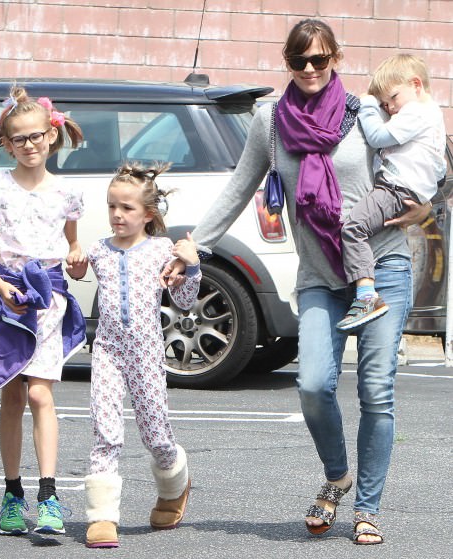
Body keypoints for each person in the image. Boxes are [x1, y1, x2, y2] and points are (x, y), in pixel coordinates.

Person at [164, 19, 432, 545]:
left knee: (376, 390)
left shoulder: (365, 113)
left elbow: (422, 158)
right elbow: (239, 187)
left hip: (382, 267)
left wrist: (427, 203)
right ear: (287, 62)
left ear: (335, 59)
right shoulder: (270, 121)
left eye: (319, 60)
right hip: (319, 276)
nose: (310, 69)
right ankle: (338, 476)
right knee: (312, 385)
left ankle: (367, 508)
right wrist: (196, 243)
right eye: (299, 60)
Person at [0, 85, 87, 536]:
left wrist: (76, 261)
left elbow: (72, 247)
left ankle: (49, 496)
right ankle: (12, 495)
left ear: (52, 134)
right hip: (8, 297)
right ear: (7, 143)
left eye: (36, 136)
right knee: (13, 396)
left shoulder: (67, 192)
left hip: (49, 298)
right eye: (20, 139)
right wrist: (0, 285)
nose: (30, 144)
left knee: (40, 394)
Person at [67, 162, 201, 548]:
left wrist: (191, 265)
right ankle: (102, 516)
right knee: (105, 432)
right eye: (112, 206)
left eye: (127, 208)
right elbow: (78, 273)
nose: (117, 215)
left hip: (145, 353)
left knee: (156, 435)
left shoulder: (161, 250)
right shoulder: (99, 250)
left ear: (148, 214)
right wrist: (76, 268)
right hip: (108, 351)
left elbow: (184, 300)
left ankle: (174, 487)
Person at [336, 54, 446, 332]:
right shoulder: (434, 116)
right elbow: (441, 171)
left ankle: (366, 296)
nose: (391, 108)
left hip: (396, 188)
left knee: (353, 228)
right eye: (385, 104)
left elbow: (378, 137)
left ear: (416, 85)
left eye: (393, 98)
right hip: (407, 190)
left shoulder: (416, 112)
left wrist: (368, 105)